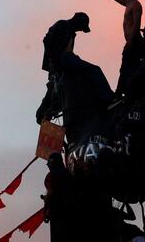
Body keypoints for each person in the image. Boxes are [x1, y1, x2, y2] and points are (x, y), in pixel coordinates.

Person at [36, 13, 114, 145]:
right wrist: (54, 59)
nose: (81, 30)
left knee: (87, 71)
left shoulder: (72, 32)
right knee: (94, 70)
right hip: (63, 59)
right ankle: (109, 98)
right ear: (78, 21)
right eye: (82, 27)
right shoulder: (62, 24)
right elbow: (46, 40)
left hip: (66, 60)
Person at [89, 0, 145, 96]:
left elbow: (136, 24)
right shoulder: (128, 3)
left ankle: (119, 94)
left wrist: (130, 43)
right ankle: (122, 92)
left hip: (135, 42)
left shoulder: (136, 5)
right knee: (126, 68)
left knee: (126, 69)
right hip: (131, 42)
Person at [42, 152, 77, 242]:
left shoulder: (51, 176)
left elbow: (50, 193)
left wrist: (45, 210)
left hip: (58, 220)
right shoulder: (70, 175)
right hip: (72, 221)